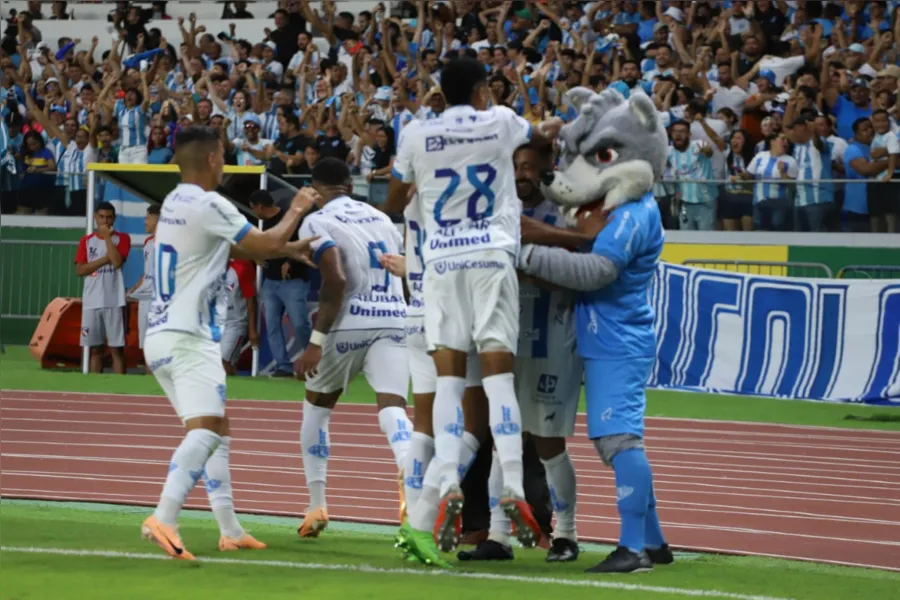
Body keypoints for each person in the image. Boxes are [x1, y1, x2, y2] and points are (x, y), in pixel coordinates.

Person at [385, 56, 559, 563]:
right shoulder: (502, 120)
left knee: (448, 383)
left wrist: (419, 180)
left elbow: (396, 198)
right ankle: (514, 491)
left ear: (442, 88)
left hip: (441, 264)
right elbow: (541, 139)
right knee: (498, 376)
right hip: (491, 257)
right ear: (483, 89)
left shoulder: (417, 134)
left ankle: (447, 483)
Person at [140, 125, 319, 560]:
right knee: (204, 433)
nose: (225, 161)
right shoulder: (210, 202)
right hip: (189, 336)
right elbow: (263, 241)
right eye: (223, 154)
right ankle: (164, 515)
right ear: (213, 158)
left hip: (160, 334)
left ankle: (230, 528)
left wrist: (285, 249)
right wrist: (295, 210)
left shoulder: (175, 203)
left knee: (218, 428)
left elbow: (223, 249)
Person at [458, 141, 583, 564]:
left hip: (551, 340)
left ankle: (565, 534)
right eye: (516, 167)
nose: (522, 174)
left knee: (549, 445)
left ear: (549, 168)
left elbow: (571, 273)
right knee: (501, 438)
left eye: (530, 166)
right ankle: (498, 536)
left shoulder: (566, 212)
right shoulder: (498, 212)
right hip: (504, 343)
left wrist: (519, 266)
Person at [294, 157, 415, 539]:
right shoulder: (381, 217)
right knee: (393, 406)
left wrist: (315, 342)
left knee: (316, 408)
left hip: (349, 323)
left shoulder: (317, 220)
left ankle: (317, 505)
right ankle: (409, 468)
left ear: (316, 188)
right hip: (395, 318)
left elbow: (336, 278)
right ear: (349, 183)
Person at [248, 189, 313, 378]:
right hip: (270, 281)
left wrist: (290, 261)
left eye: (253, 208)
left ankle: (315, 360)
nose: (253, 212)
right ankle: (283, 366)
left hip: (294, 281)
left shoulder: (290, 219)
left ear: (260, 206)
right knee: (272, 325)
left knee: (300, 324)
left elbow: (306, 245)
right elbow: (260, 246)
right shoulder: (261, 224)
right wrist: (258, 256)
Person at [75, 201, 131, 374]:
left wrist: (107, 237)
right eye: (101, 217)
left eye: (108, 217)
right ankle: (94, 388)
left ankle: (120, 388)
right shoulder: (86, 240)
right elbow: (80, 269)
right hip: (91, 300)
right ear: (95, 217)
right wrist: (104, 259)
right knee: (95, 348)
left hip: (114, 300)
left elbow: (117, 262)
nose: (105, 221)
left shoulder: (122, 238)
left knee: (116, 349)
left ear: (114, 218)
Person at [126, 204, 159, 373]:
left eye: (147, 217)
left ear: (157, 218)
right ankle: (149, 388)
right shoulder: (148, 243)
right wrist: (132, 290)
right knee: (146, 347)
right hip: (145, 300)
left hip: (161, 301)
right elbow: (147, 274)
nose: (145, 221)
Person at [220, 258, 259, 375]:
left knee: (222, 363)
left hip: (235, 323)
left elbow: (250, 299)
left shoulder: (242, 266)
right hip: (215, 323)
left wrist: (252, 330)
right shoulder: (208, 266)